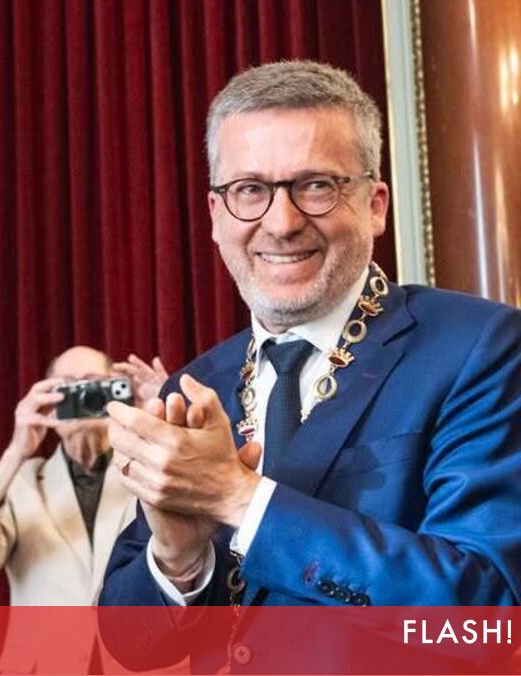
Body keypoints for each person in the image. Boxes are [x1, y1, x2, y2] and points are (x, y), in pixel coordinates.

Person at [97, 60, 521, 672]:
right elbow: (131, 645)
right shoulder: (197, 385)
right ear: (215, 215)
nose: (281, 222)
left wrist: (240, 500)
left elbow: (487, 621)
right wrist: (178, 558)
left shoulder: (479, 347)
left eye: (316, 185)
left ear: (375, 205)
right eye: (250, 190)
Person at [0, 346, 167, 673]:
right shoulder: (20, 482)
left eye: (93, 385)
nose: (83, 397)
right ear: (47, 401)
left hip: (141, 661)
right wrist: (16, 451)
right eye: (68, 387)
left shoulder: (150, 469)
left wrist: (162, 424)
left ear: (117, 394)